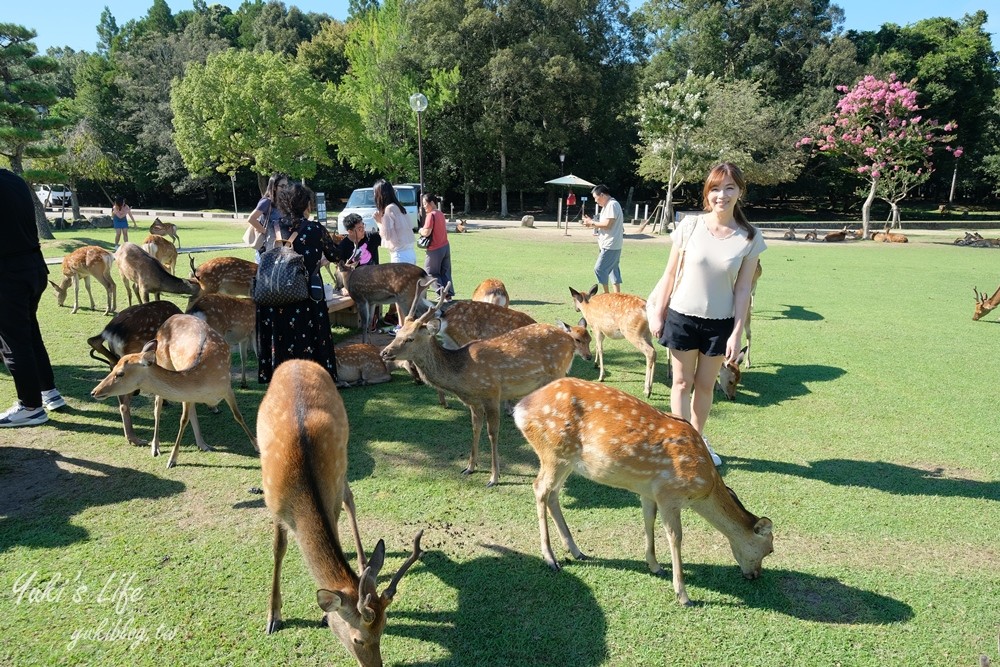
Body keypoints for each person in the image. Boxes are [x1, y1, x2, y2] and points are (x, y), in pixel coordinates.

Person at [646, 162, 765, 466]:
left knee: (704, 385)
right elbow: (670, 273)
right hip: (682, 316)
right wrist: (658, 312)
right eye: (714, 188)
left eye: (729, 188)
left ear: (740, 191)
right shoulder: (689, 226)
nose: (721, 195)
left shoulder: (750, 237)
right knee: (681, 384)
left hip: (720, 324)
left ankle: (697, 442)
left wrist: (737, 332)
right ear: (707, 192)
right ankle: (679, 441)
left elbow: (742, 291)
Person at [256, 180, 343, 384]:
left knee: (281, 339)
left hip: (274, 298)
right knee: (309, 338)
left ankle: (281, 380)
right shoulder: (314, 229)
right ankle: (314, 378)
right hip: (305, 298)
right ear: (306, 205)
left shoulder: (271, 228)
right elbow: (333, 254)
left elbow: (262, 253)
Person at [0, 169, 66, 427]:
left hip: (8, 274)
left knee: (14, 342)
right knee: (29, 334)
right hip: (33, 268)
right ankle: (49, 391)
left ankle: (30, 406)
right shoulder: (13, 179)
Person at [372, 178, 416, 325]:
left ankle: (401, 326)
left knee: (398, 295)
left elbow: (388, 236)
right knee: (409, 295)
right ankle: (407, 326)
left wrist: (379, 222)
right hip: (410, 254)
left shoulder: (390, 209)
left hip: (400, 256)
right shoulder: (399, 208)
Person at [336, 213, 383, 331]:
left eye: (363, 227)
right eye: (359, 229)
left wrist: (380, 223)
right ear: (350, 231)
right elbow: (339, 269)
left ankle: (374, 320)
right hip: (355, 283)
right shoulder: (344, 246)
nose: (363, 231)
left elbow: (386, 236)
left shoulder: (371, 237)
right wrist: (342, 286)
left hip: (374, 280)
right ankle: (368, 322)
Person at [582, 184, 624, 293]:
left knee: (599, 269)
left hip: (610, 244)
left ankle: (606, 295)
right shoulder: (609, 205)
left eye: (596, 198)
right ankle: (617, 296)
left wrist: (591, 223)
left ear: (602, 195)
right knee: (613, 270)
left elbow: (607, 224)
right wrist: (592, 223)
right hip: (612, 244)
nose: (596, 201)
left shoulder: (611, 205)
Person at [246, 173, 290, 261]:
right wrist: (265, 231)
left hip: (282, 246)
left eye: (286, 186)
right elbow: (251, 219)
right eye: (282, 186)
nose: (285, 189)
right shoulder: (266, 202)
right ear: (274, 187)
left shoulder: (285, 202)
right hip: (267, 247)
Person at [419, 193, 454, 299]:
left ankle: (441, 292)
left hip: (435, 248)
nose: (424, 206)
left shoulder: (431, 215)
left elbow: (427, 232)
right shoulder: (440, 214)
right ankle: (448, 294)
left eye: (425, 204)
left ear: (432, 203)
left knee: (430, 272)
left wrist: (420, 230)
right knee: (445, 272)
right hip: (445, 246)